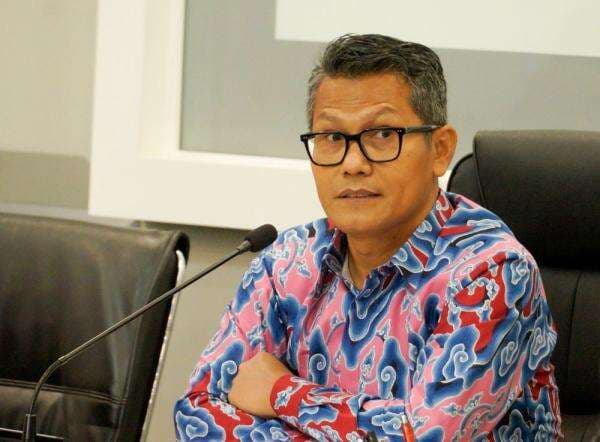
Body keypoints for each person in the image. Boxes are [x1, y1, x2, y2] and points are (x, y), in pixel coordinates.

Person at [174, 34, 561, 441]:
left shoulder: (490, 275)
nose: (353, 163)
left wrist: (282, 393)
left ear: (440, 149)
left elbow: (424, 436)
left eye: (382, 135)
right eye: (332, 138)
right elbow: (198, 411)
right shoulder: (287, 263)